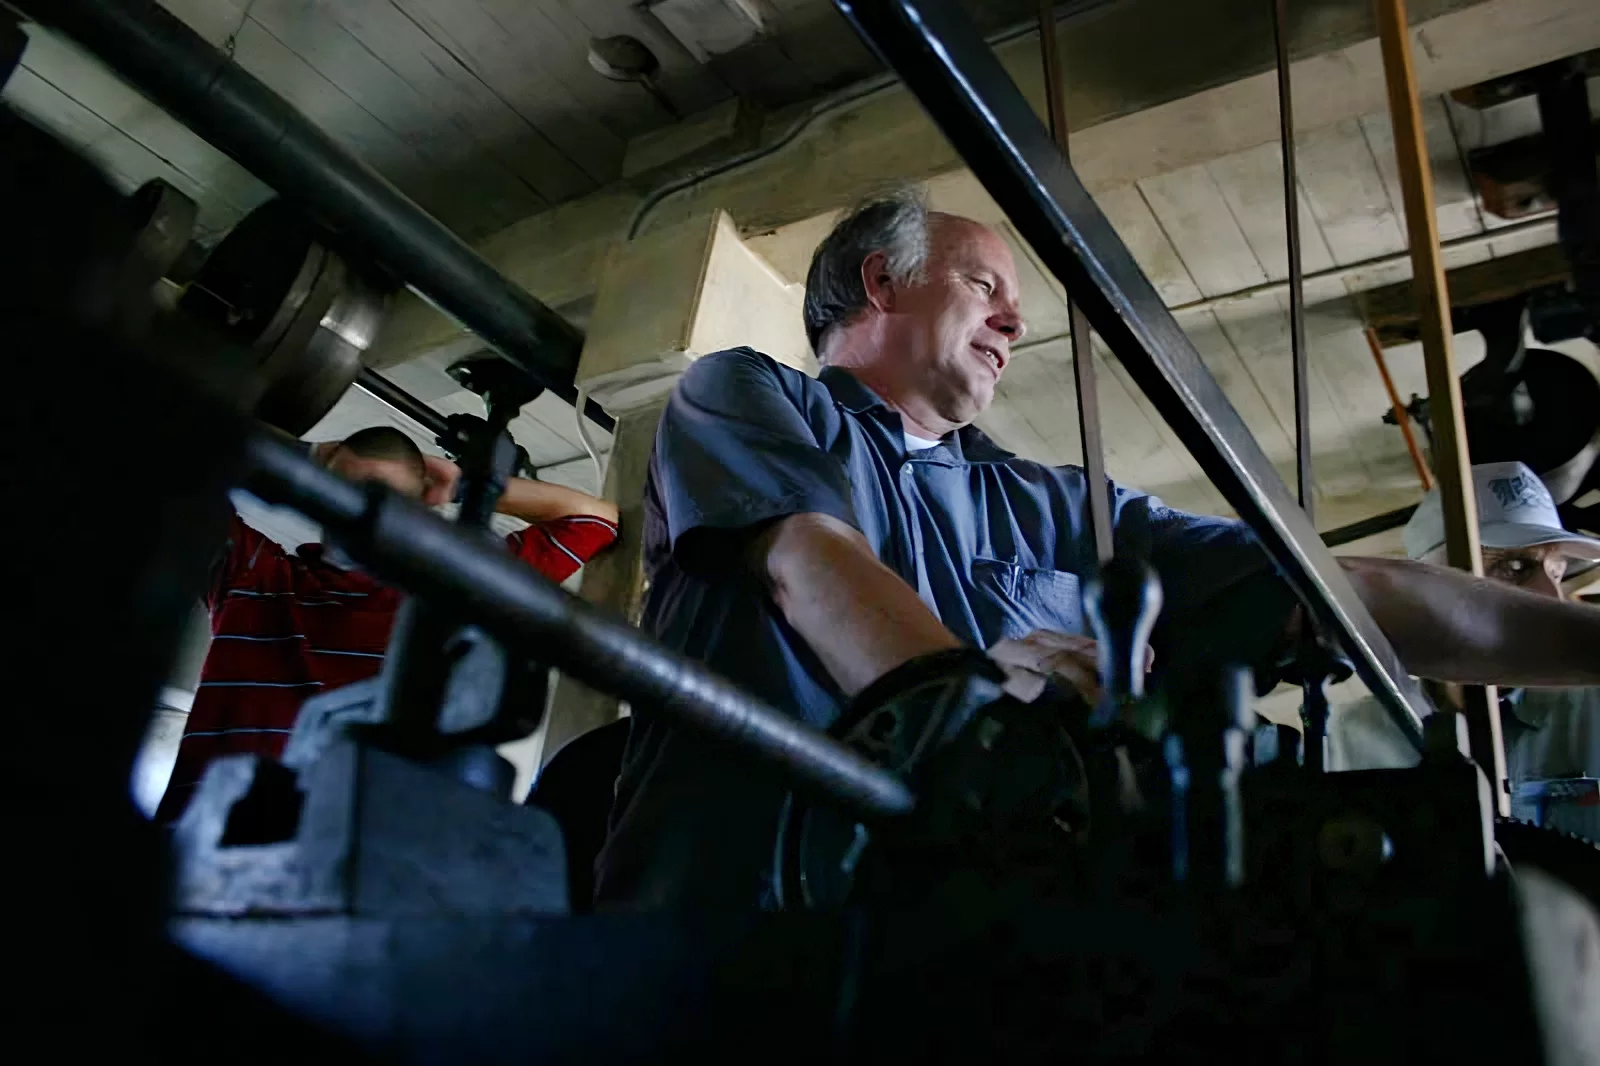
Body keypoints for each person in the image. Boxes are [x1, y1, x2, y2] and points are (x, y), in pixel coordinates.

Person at [595, 192, 1600, 909]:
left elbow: (1338, 590)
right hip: (731, 931)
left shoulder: (1055, 507)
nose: (1018, 320)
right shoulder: (747, 396)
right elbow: (808, 565)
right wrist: (983, 706)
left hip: (953, 961)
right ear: (880, 281)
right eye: (984, 284)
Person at [155, 426, 618, 821]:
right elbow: (173, 444)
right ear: (321, 496)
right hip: (194, 853)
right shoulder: (254, 573)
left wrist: (465, 486)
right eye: (347, 493)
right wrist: (312, 457)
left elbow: (596, 519)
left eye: (386, 498)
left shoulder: (454, 592)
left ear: (422, 507)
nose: (362, 512)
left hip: (354, 865)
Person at [1331, 461, 1600, 841]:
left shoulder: (1591, 708)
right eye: (1515, 567)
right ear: (1434, 590)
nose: (1550, 597)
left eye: (1556, 571)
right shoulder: (1361, 733)